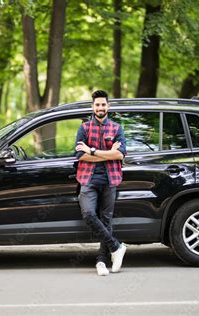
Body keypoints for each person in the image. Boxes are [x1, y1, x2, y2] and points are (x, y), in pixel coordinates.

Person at [75, 90, 127, 276]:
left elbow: (120, 155)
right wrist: (107, 154)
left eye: (103, 104)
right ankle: (116, 246)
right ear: (92, 107)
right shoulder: (84, 128)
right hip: (88, 179)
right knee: (88, 213)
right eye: (97, 105)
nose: (100, 107)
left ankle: (101, 262)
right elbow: (81, 156)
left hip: (110, 179)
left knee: (106, 219)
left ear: (108, 106)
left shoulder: (117, 128)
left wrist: (93, 151)